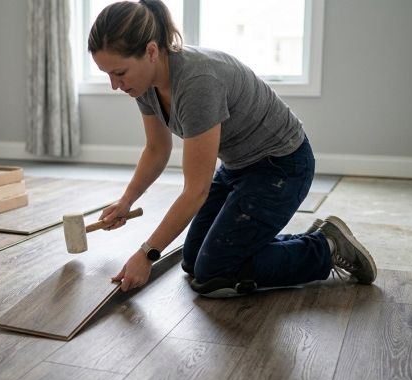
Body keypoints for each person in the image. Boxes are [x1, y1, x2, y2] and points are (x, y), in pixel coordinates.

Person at [89, 0, 376, 297]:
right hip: (238, 167)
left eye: (119, 73)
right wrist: (126, 201)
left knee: (214, 275)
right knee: (193, 261)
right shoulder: (144, 83)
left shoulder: (197, 82)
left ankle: (326, 248)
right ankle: (299, 244)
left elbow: (195, 191)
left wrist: (147, 253)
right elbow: (156, 149)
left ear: (150, 51)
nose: (114, 85)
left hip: (283, 166)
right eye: (107, 74)